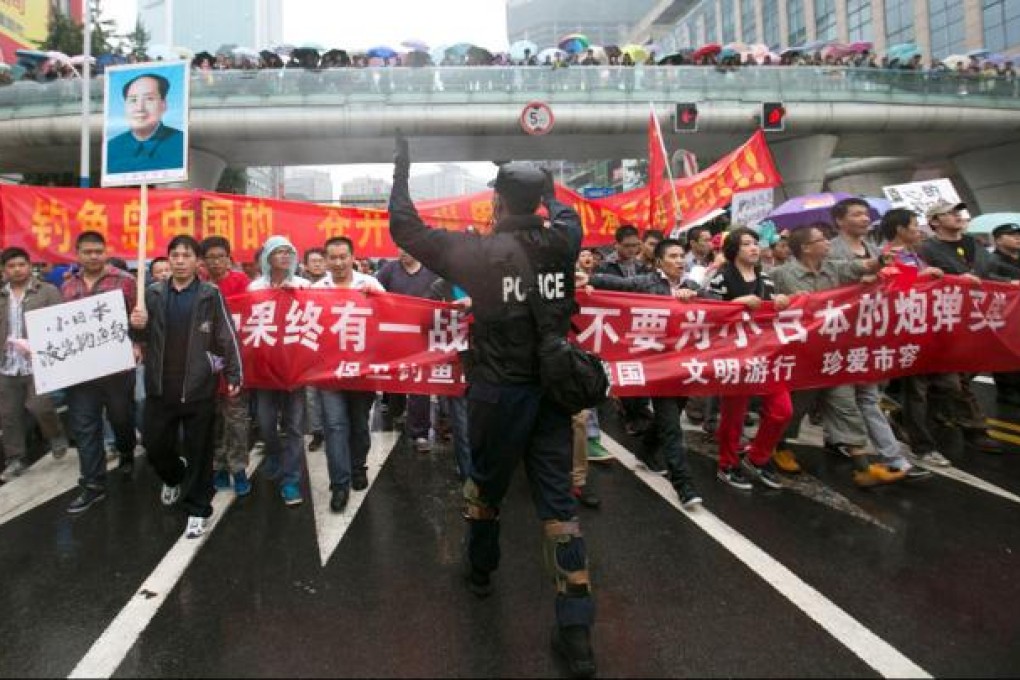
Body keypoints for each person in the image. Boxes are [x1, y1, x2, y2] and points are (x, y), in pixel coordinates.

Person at [389, 139, 596, 678]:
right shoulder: (564, 241)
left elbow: (405, 230)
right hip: (554, 393)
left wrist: (401, 171)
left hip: (496, 396)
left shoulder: (475, 254)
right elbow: (568, 212)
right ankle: (576, 631)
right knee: (558, 511)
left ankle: (481, 569)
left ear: (497, 206)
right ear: (541, 202)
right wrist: (546, 181)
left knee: (484, 486)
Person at [129, 235, 243, 538]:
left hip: (198, 387)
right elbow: (138, 339)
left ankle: (197, 509)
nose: (179, 260)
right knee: (154, 445)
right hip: (159, 386)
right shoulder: (151, 294)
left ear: (197, 261)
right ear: (168, 260)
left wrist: (233, 374)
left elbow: (226, 335)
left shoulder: (209, 294)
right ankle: (174, 474)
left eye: (186, 255)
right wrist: (135, 323)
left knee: (200, 451)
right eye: (174, 255)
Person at [582, 237, 705, 507]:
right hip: (657, 367)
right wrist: (586, 279)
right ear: (659, 262)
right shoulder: (646, 283)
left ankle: (647, 451)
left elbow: (721, 305)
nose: (679, 261)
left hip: (684, 366)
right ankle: (683, 485)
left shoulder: (693, 286)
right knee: (672, 425)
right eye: (672, 256)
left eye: (680, 256)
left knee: (669, 417)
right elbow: (613, 284)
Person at [704, 228, 792, 491]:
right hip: (734, 356)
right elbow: (707, 312)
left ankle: (757, 456)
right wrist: (736, 304)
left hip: (764, 353)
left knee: (781, 410)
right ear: (734, 250)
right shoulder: (721, 278)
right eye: (746, 244)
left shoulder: (765, 278)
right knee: (734, 415)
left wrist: (779, 302)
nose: (754, 248)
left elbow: (771, 311)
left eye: (755, 243)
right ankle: (727, 463)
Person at [62, 231, 140, 514]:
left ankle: (127, 450)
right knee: (85, 426)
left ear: (106, 251)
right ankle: (93, 485)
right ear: (77, 253)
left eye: (98, 251)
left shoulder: (125, 281)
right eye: (87, 252)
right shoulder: (67, 285)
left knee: (121, 418)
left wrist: (137, 343)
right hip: (81, 372)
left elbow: (138, 319)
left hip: (116, 368)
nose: (94, 256)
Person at [313, 236, 385, 512]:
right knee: (334, 426)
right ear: (326, 260)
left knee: (358, 424)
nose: (339, 262)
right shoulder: (316, 289)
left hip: (362, 371)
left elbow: (391, 317)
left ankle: (358, 467)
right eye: (333, 257)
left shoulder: (370, 284)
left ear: (353, 257)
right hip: (328, 373)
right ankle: (339, 484)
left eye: (344, 256)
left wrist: (377, 300)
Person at [248, 236, 310, 505]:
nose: (285, 256)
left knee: (295, 426)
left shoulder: (304, 286)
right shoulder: (254, 288)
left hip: (294, 368)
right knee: (265, 421)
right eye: (278, 252)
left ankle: (291, 480)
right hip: (264, 369)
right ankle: (273, 453)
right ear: (268, 257)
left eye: (289, 252)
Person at [0, 247, 69, 482]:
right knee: (8, 415)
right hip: (7, 364)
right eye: (11, 266)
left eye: (21, 264)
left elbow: (60, 321)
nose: (17, 270)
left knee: (40, 405)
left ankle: (56, 435)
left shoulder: (47, 291)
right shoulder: (2, 295)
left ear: (30, 266)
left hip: (38, 362)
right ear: (4, 270)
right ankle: (15, 458)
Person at [200, 236, 254, 496]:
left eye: (221, 256)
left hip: (234, 363)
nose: (216, 262)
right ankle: (218, 466)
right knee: (213, 421)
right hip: (205, 367)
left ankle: (239, 468)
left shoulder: (241, 282)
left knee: (236, 420)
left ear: (229, 258)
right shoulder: (198, 285)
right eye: (210, 257)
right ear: (202, 261)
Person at [106, 72, 185, 174]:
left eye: (149, 99)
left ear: (163, 104)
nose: (140, 108)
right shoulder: (112, 147)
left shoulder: (181, 143)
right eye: (133, 100)